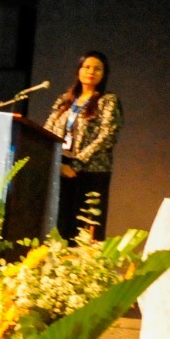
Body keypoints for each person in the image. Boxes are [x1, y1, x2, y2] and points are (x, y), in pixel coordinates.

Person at [43, 51, 121, 239]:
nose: (91, 72)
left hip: (90, 173)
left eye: (97, 69)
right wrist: (56, 162)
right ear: (78, 70)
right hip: (61, 169)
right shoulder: (65, 100)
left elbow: (107, 136)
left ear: (104, 74)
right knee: (60, 227)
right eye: (87, 67)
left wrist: (76, 164)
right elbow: (47, 130)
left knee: (84, 231)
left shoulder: (108, 101)